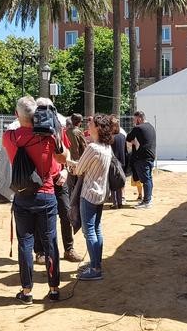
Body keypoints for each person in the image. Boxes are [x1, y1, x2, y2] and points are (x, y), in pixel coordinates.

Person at [3, 96, 68, 304]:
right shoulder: (48, 137)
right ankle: (54, 288)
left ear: (16, 115)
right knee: (50, 242)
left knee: (25, 243)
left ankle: (26, 290)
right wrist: (55, 134)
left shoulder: (9, 137)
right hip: (46, 194)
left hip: (23, 196)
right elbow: (62, 158)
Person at [32, 99, 83, 264]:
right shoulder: (30, 132)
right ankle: (40, 251)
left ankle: (69, 249)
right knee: (41, 218)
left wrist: (64, 171)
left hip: (59, 180)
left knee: (66, 214)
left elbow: (66, 154)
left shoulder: (59, 130)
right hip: (39, 182)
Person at [67, 114, 113, 281]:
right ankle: (96, 263)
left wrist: (69, 162)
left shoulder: (93, 148)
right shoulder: (107, 147)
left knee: (89, 232)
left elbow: (79, 170)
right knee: (97, 228)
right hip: (101, 193)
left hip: (88, 194)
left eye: (91, 123)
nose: (88, 123)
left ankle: (95, 268)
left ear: (98, 128)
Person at [126, 111, 156, 209]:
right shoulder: (151, 127)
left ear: (139, 119)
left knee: (145, 179)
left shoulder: (138, 128)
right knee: (149, 178)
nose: (134, 122)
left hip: (142, 158)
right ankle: (148, 198)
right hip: (150, 156)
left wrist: (134, 141)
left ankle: (147, 201)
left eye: (135, 120)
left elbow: (128, 137)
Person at [109, 115, 126, 209]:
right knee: (120, 183)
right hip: (122, 162)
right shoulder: (122, 136)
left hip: (113, 162)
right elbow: (125, 150)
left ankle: (115, 202)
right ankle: (120, 202)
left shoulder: (111, 137)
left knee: (113, 183)